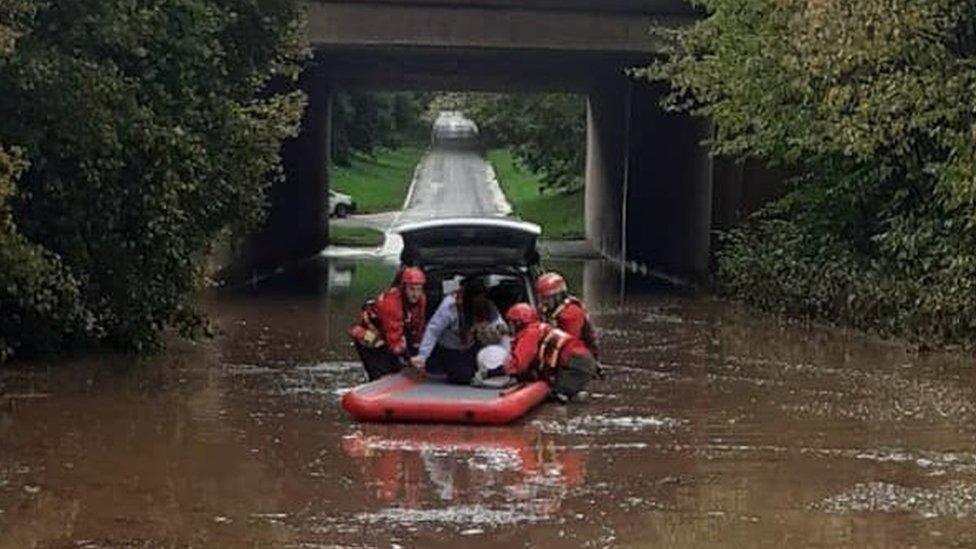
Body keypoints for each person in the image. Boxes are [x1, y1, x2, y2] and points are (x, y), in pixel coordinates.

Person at [484, 302, 599, 403]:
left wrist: (493, 372)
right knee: (561, 392)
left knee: (554, 396)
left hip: (575, 363)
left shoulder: (529, 333)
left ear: (518, 322)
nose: (509, 326)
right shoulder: (538, 328)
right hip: (581, 361)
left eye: (511, 323)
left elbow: (519, 365)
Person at [410, 277, 499, 384]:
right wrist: (423, 356)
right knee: (463, 377)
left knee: (489, 368)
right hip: (450, 348)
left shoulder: (487, 305)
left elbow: (499, 324)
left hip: (472, 346)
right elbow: (433, 331)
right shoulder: (449, 306)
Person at [349, 266, 427, 381]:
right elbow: (395, 343)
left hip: (388, 337)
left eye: (418, 289)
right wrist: (409, 358)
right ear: (404, 288)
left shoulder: (421, 300)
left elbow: (418, 328)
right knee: (381, 375)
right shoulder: (392, 304)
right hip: (370, 337)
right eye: (411, 289)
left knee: (398, 367)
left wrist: (420, 352)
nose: (415, 294)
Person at [535, 271, 599, 357]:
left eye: (547, 298)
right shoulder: (549, 310)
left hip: (579, 360)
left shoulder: (571, 313)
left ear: (558, 296)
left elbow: (568, 344)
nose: (543, 302)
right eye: (542, 298)